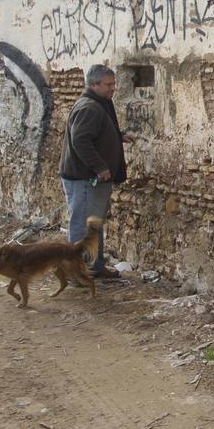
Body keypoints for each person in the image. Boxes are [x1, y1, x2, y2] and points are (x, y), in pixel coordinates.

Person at [59, 64, 130, 278]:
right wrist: (100, 167)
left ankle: (94, 268)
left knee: (94, 224)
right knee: (82, 226)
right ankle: (77, 273)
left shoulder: (100, 103)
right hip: (85, 180)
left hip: (91, 180)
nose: (113, 88)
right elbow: (80, 140)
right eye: (108, 85)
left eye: (113, 84)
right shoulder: (89, 107)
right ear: (93, 84)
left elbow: (95, 133)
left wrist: (118, 136)